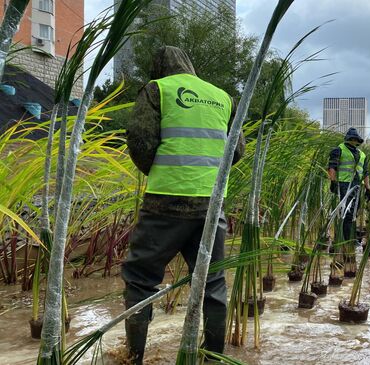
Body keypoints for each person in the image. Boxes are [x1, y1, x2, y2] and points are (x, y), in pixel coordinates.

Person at [122, 46, 245, 364]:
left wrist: (160, 171)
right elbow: (238, 149)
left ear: (159, 67)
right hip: (211, 205)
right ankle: (213, 358)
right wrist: (211, 176)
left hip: (165, 202)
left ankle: (133, 357)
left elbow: (140, 141)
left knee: (140, 278)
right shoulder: (222, 97)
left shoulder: (157, 89)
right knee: (212, 281)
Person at [327, 128, 370, 242]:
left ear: (357, 140)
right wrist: (333, 182)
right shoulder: (339, 150)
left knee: (354, 211)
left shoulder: (362, 155)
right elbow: (332, 167)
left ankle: (347, 238)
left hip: (357, 186)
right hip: (344, 184)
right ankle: (345, 240)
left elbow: (365, 172)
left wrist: (368, 189)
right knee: (347, 212)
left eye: (355, 139)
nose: (353, 141)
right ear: (347, 139)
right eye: (351, 139)